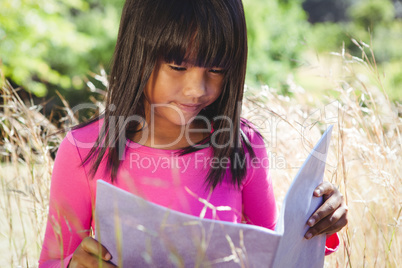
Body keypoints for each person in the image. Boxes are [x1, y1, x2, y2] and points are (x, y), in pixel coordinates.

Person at [39, 0, 348, 267]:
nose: (196, 89)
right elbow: (52, 261)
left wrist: (315, 225)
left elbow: (271, 252)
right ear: (137, 51)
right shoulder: (86, 149)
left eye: (215, 70)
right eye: (177, 66)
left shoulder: (242, 145)